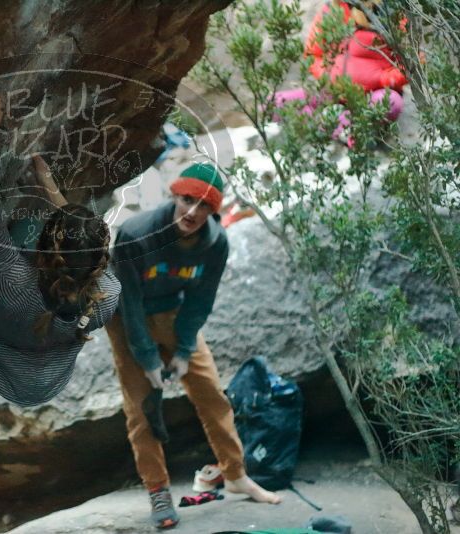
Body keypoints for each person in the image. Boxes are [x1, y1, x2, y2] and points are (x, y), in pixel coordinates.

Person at [105, 162, 280, 530]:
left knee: (211, 392)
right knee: (142, 408)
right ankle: (158, 492)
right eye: (187, 200)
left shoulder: (215, 243)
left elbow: (201, 301)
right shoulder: (136, 234)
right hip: (128, 319)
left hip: (175, 312)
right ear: (175, 195)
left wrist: (183, 351)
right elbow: (128, 301)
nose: (193, 212)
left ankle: (235, 475)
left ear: (213, 210)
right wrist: (147, 357)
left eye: (204, 205)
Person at [0, 92, 121, 407]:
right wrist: (49, 185)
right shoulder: (108, 295)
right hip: (48, 379)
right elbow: (79, 249)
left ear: (47, 248)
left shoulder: (14, 284)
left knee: (23, 226)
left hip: (2, 361)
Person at [273, 0, 408, 146]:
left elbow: (412, 64)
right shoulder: (333, 8)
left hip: (373, 96)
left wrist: (381, 79)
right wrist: (329, 76)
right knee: (272, 104)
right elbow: (314, 54)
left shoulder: (392, 11)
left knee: (390, 102)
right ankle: (332, 122)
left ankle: (349, 130)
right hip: (334, 92)